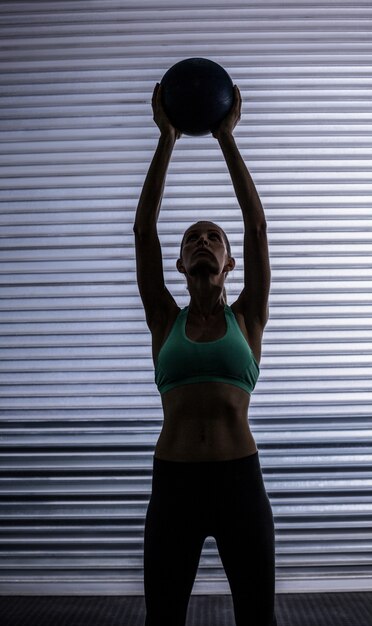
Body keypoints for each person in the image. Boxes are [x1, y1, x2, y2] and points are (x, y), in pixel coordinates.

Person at [133, 81, 277, 626]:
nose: (200, 241)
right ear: (177, 265)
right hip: (174, 485)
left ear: (230, 262)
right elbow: (144, 230)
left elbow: (257, 227)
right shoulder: (163, 318)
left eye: (213, 237)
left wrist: (227, 139)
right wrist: (165, 138)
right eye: (191, 237)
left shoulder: (248, 317)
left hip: (241, 482)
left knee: (256, 619)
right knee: (163, 619)